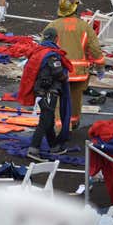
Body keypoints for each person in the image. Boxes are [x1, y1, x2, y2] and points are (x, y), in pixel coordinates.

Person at [43, 0, 104, 129]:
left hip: (58, 70)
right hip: (79, 72)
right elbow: (95, 49)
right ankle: (74, 122)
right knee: (75, 99)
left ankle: (59, 128)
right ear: (75, 9)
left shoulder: (52, 26)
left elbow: (44, 49)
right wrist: (100, 66)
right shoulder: (84, 26)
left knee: (57, 99)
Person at [23, 28, 73, 161]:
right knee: (45, 120)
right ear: (56, 38)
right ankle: (34, 149)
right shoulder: (52, 55)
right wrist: (64, 78)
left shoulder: (37, 52)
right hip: (49, 91)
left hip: (39, 90)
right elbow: (57, 72)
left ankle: (54, 146)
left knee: (49, 119)